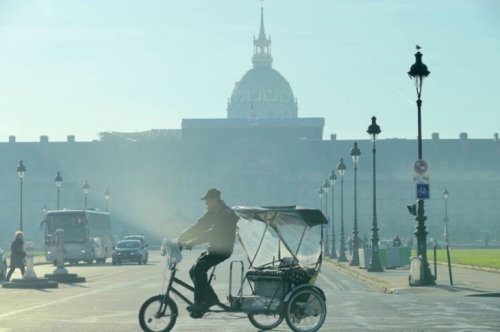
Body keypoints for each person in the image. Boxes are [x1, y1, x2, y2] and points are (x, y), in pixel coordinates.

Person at [177, 188, 239, 315]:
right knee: (193, 270)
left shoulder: (225, 213)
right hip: (214, 248)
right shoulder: (212, 212)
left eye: (207, 200)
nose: (205, 203)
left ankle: (199, 303)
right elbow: (198, 226)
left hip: (223, 249)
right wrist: (181, 238)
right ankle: (210, 299)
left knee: (199, 269)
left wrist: (193, 242)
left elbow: (212, 232)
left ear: (214, 199)